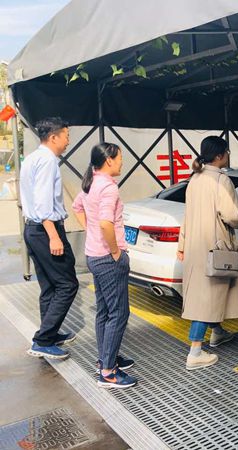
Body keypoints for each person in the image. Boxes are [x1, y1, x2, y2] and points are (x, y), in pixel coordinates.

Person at [177, 136, 238, 370]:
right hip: (215, 247)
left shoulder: (195, 179)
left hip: (195, 246)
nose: (228, 156)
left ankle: (217, 332)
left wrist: (181, 245)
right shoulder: (221, 180)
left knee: (210, 293)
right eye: (226, 152)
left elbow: (187, 215)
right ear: (219, 156)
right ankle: (195, 352)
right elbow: (232, 216)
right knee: (206, 298)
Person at [72, 143, 136, 389]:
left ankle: (106, 359)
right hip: (108, 259)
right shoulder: (108, 187)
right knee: (119, 313)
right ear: (109, 160)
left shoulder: (91, 183)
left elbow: (77, 207)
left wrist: (92, 233)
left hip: (93, 255)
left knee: (105, 311)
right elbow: (106, 223)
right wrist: (115, 251)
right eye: (119, 158)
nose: (121, 162)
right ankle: (108, 372)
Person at [21, 117, 78, 360]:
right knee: (68, 284)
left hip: (33, 230)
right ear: (53, 137)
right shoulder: (47, 161)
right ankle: (43, 340)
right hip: (46, 230)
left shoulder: (33, 158)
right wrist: (54, 237)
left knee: (49, 286)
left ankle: (50, 334)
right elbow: (43, 203)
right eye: (66, 136)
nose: (68, 141)